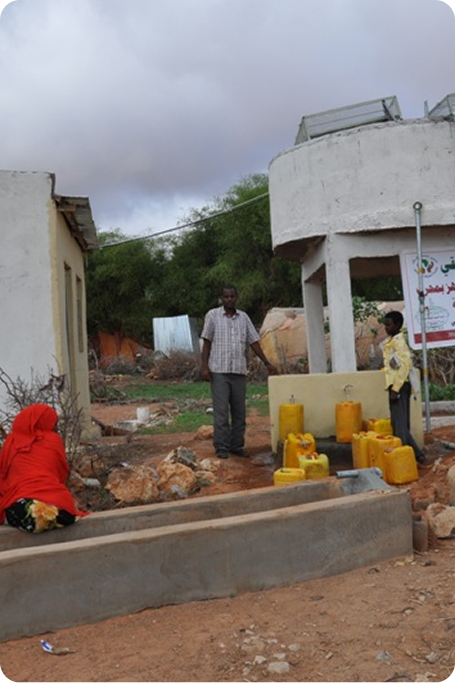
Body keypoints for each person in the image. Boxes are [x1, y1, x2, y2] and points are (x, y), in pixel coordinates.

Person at [201, 284, 278, 459]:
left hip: (238, 371)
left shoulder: (243, 318)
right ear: (221, 298)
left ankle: (236, 445)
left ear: (236, 297)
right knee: (221, 413)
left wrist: (267, 363)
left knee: (239, 412)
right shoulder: (212, 316)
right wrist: (204, 367)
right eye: (226, 297)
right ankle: (221, 447)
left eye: (232, 296)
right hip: (219, 371)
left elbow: (254, 342)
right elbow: (206, 342)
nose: (229, 299)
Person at [0, 403, 89, 533]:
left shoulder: (11, 443)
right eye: (53, 423)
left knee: (22, 510)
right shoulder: (53, 440)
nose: (55, 428)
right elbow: (60, 475)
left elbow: (4, 478)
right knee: (51, 509)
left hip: (25, 508)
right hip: (62, 511)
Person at [382, 311, 426, 464]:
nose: (386, 328)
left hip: (399, 386)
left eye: (389, 325)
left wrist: (395, 388)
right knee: (398, 424)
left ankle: (415, 456)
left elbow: (405, 365)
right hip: (396, 386)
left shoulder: (399, 342)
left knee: (400, 426)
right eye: (385, 325)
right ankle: (411, 455)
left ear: (398, 325)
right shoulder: (392, 341)